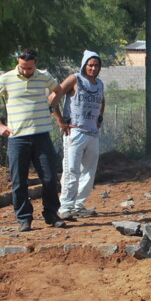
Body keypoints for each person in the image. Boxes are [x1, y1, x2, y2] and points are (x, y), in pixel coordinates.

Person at [0, 48, 69, 232]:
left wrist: (51, 106)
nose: (26, 71)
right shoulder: (6, 79)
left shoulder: (44, 77)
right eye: (23, 67)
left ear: (36, 64)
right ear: (18, 62)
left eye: (29, 68)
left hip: (41, 136)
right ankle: (24, 218)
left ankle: (51, 214)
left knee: (49, 177)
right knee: (19, 180)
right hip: (17, 138)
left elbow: (58, 90)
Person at [53, 50, 106, 220]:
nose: (93, 68)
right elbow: (54, 96)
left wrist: (99, 118)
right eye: (90, 65)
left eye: (96, 65)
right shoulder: (75, 79)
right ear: (84, 65)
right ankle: (65, 206)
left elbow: (102, 101)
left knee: (89, 171)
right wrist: (60, 120)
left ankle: (78, 205)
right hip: (75, 132)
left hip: (92, 133)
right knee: (71, 170)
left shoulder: (99, 84)